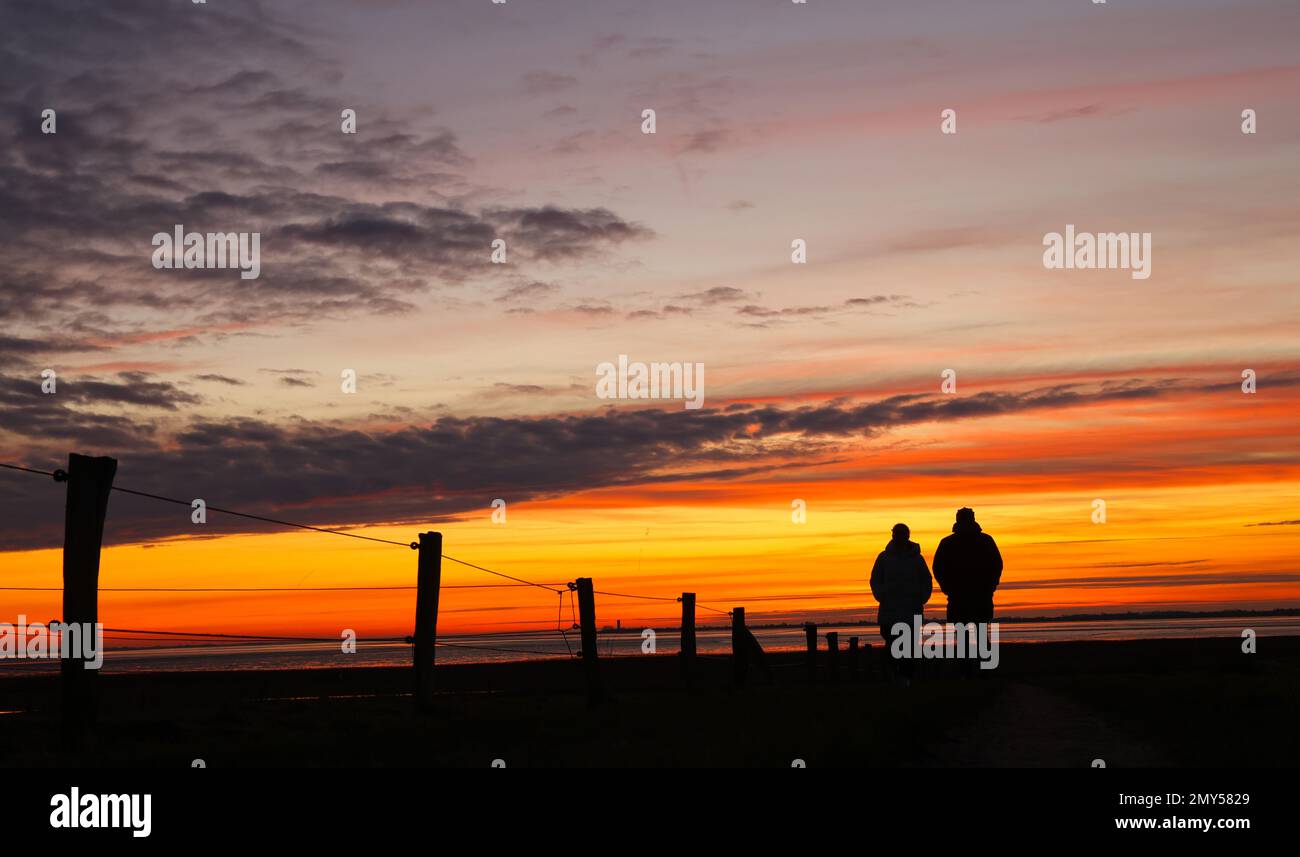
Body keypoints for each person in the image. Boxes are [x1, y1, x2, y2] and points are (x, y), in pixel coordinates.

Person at [932, 507, 1002, 675]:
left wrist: (990, 586)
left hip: (971, 597)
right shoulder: (983, 540)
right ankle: (978, 671)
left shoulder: (950, 542)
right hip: (968, 597)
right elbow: (938, 568)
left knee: (971, 634)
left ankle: (973, 671)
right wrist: (948, 588)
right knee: (975, 634)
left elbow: (997, 566)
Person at [869, 523, 932, 686]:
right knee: (891, 644)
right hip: (889, 612)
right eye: (896, 534)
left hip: (911, 611)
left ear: (907, 536)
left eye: (902, 534)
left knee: (910, 646)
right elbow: (875, 580)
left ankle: (906, 677)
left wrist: (922, 597)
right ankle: (893, 676)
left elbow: (927, 580)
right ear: (893, 536)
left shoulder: (917, 559)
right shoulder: (883, 558)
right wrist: (882, 594)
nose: (899, 537)